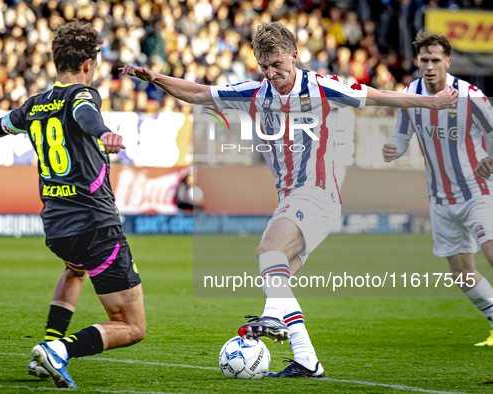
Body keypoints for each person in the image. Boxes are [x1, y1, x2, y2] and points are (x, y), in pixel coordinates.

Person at [121, 21, 457, 378]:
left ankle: (274, 321)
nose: (272, 73)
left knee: (269, 252)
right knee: (276, 275)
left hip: (318, 192)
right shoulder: (255, 92)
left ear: (294, 56)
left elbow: (378, 96)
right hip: (292, 197)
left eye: (278, 64)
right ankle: (307, 359)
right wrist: (155, 77)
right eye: (265, 66)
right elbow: (198, 93)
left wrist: (431, 102)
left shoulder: (321, 87)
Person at [0, 20, 145, 389]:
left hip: (58, 227)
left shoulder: (35, 105)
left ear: (55, 61)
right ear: (89, 64)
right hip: (96, 224)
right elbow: (85, 115)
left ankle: (44, 350)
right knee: (132, 326)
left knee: (74, 271)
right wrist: (101, 131)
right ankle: (60, 351)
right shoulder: (83, 96)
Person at [383, 31, 493, 347]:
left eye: (435, 60)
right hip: (440, 200)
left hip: (477, 191)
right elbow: (402, 135)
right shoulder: (410, 94)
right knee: (461, 273)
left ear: (447, 61)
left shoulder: (470, 95)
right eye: (424, 60)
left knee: (491, 253)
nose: (429, 66)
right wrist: (394, 147)